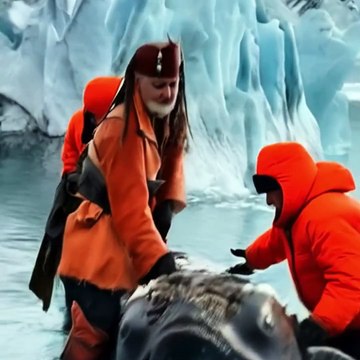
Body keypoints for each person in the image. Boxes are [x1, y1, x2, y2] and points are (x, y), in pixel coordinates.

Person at [57, 40, 190, 360]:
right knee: (94, 339)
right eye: (158, 85)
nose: (168, 93)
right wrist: (161, 265)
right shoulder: (123, 128)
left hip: (121, 254)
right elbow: (130, 210)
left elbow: (168, 182)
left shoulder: (162, 119)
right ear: (136, 81)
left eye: (173, 85)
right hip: (96, 260)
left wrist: (163, 225)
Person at [227, 141, 360, 358]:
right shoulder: (300, 216)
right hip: (344, 321)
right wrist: (251, 259)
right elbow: (277, 242)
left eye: (271, 191)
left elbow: (351, 282)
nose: (269, 201)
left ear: (290, 183)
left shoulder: (326, 216)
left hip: (352, 326)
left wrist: (320, 325)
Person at [29, 76, 123, 314]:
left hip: (109, 193)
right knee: (60, 240)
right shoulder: (78, 123)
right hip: (76, 189)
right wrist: (74, 176)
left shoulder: (124, 127)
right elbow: (70, 154)